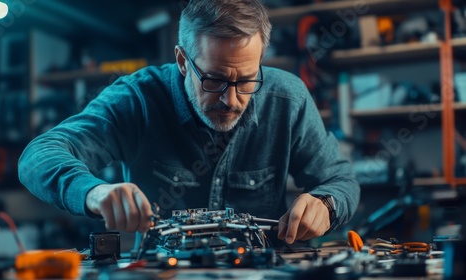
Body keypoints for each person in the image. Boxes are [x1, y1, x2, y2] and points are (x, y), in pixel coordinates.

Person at [18, 0, 360, 245]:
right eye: (214, 80)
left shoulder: (288, 98)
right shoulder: (137, 99)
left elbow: (342, 180)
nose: (231, 100)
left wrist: (326, 204)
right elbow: (38, 156)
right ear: (182, 61)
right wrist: (94, 191)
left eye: (246, 80)